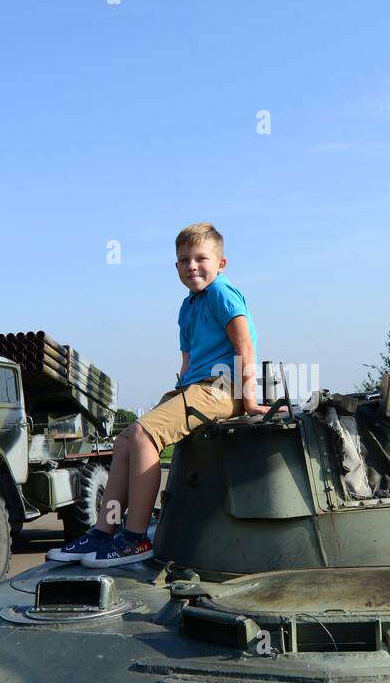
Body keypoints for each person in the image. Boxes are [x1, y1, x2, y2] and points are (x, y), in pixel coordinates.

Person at [48, 222, 268, 566]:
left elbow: (245, 346)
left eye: (201, 258)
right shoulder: (188, 306)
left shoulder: (222, 294)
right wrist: (175, 395)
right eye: (183, 260)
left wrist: (250, 400)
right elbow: (187, 359)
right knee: (123, 441)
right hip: (194, 387)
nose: (192, 266)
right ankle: (102, 532)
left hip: (223, 387)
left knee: (142, 435)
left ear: (221, 264)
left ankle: (135, 538)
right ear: (176, 266)